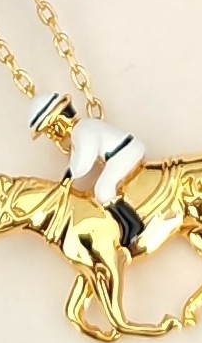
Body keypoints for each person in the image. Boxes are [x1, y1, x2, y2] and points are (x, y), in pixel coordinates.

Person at [28, 93, 149, 251]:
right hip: (122, 153)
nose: (51, 135)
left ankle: (132, 224)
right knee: (103, 189)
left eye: (49, 130)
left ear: (59, 121)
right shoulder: (81, 129)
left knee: (103, 190)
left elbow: (84, 160)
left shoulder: (82, 131)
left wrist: (70, 174)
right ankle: (129, 223)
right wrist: (69, 173)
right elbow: (77, 157)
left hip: (125, 153)